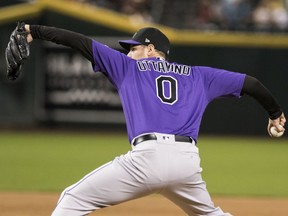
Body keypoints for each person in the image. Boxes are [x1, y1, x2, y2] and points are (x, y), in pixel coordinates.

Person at [23, 24, 285, 216]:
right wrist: (275, 115)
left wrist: (33, 30)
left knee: (71, 200)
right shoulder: (199, 75)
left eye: (133, 48)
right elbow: (251, 83)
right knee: (210, 215)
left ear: (150, 49)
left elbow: (78, 41)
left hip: (147, 160)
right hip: (187, 163)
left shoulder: (129, 68)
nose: (128, 54)